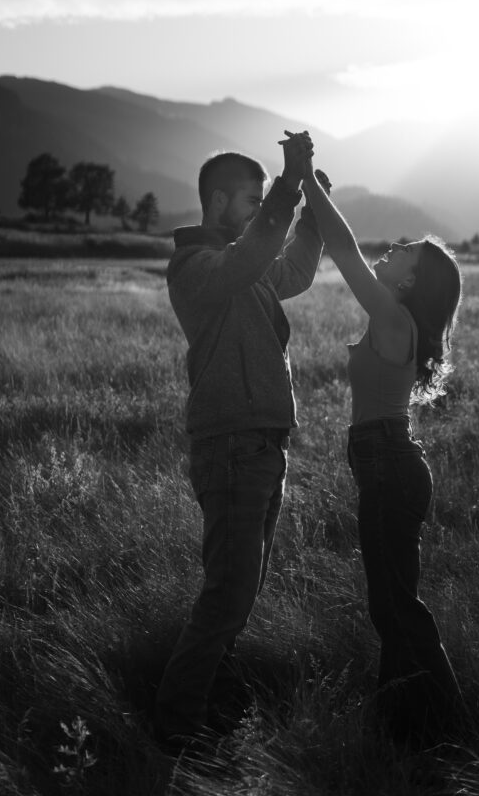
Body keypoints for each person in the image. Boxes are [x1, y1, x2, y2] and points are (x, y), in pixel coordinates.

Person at [155, 132, 324, 756]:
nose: (258, 212)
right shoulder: (198, 268)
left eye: (261, 202)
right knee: (228, 592)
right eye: (251, 202)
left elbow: (294, 271)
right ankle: (175, 729)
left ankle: (209, 703)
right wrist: (287, 187)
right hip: (230, 446)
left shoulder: (244, 266)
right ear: (218, 201)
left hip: (263, 445)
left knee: (240, 590)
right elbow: (253, 259)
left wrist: (310, 208)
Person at [301, 151, 466, 750]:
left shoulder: (394, 320)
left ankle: (451, 725)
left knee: (396, 609)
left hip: (390, 467)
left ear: (410, 280)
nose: (392, 248)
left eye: (404, 251)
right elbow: (346, 251)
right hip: (390, 466)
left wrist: (306, 184)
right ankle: (399, 721)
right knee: (392, 605)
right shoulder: (395, 319)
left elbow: (343, 251)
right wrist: (308, 197)